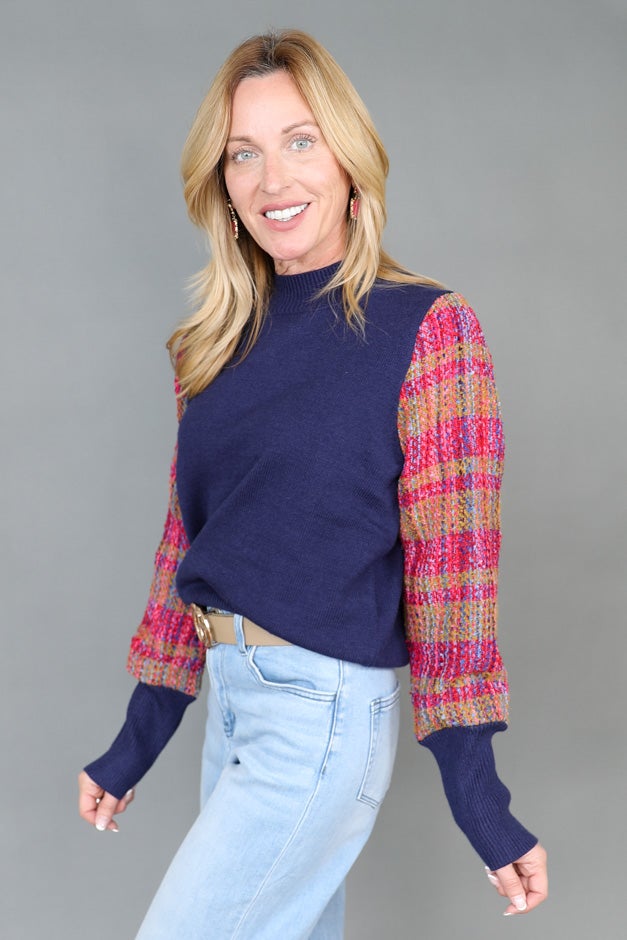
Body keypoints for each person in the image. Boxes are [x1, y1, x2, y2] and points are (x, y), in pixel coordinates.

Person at [78, 29, 548, 938]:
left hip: (321, 718)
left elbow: (453, 571)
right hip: (235, 707)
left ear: (348, 158)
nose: (272, 179)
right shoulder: (211, 348)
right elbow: (192, 545)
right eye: (242, 154)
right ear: (221, 186)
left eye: (300, 141)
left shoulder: (427, 330)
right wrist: (138, 738)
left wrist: (478, 796)